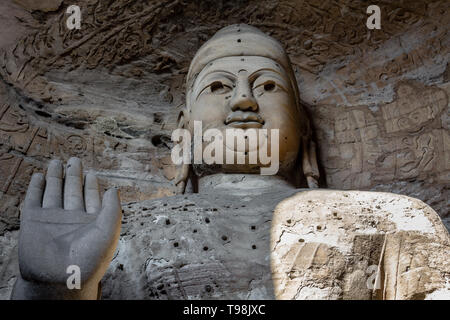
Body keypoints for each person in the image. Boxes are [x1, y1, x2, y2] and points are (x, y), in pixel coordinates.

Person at [11, 24, 449, 300]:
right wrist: (50, 290)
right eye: (219, 86)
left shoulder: (390, 221)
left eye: (268, 87)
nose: (243, 101)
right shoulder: (113, 232)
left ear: (306, 133)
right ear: (183, 133)